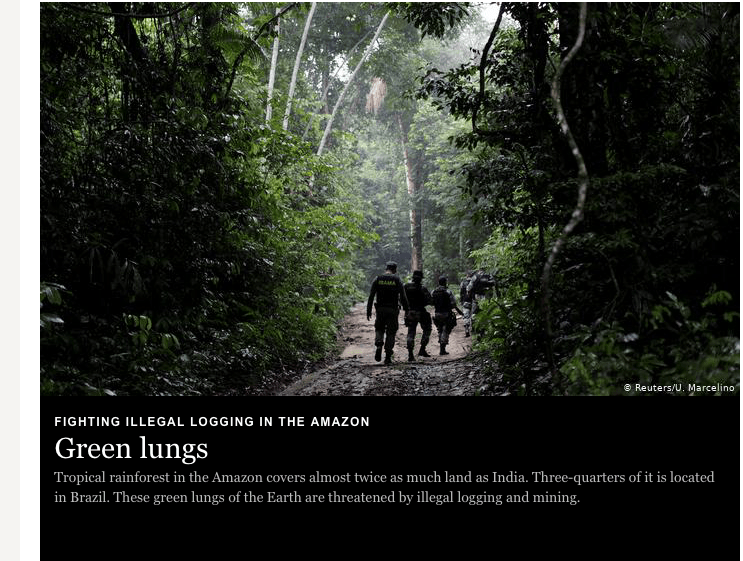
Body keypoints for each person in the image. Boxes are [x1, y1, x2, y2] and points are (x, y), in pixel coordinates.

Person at [367, 261, 409, 364]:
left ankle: (379, 343)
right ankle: (388, 356)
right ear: (395, 270)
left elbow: (371, 296)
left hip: (380, 310)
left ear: (386, 269)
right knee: (391, 332)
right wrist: (407, 310)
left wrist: (368, 310)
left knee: (379, 328)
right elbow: (403, 297)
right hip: (393, 310)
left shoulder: (378, 279)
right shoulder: (397, 280)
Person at [403, 270, 433, 362]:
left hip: (411, 312)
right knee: (427, 330)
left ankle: (410, 355)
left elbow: (401, 299)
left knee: (411, 332)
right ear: (421, 279)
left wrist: (406, 309)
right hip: (421, 312)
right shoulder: (423, 288)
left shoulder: (406, 287)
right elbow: (430, 301)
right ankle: (422, 349)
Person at [431, 276, 463, 356]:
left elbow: (431, 302)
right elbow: (453, 304)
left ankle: (442, 346)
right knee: (445, 330)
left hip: (437, 313)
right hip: (446, 314)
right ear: (445, 282)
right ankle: (442, 349)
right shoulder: (448, 292)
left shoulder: (433, 292)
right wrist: (457, 310)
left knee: (440, 329)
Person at [459, 271, 473, 337]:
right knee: (473, 315)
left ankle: (467, 329)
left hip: (465, 301)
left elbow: (461, 293)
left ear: (467, 275)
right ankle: (474, 330)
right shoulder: (474, 282)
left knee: (466, 316)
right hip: (474, 301)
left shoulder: (463, 283)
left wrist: (461, 301)